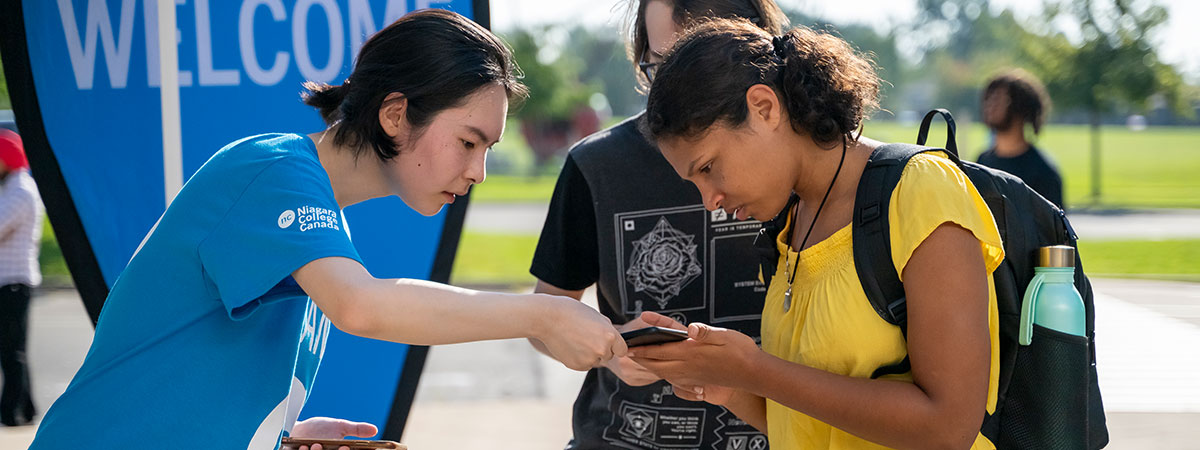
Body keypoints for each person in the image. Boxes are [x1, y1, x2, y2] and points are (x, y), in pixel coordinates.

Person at [29, 10, 625, 449]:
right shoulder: (273, 170)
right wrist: (540, 314)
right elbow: (362, 307)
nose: (480, 171)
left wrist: (275, 435)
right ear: (395, 113)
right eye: (470, 142)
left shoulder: (319, 217)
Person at [629, 19, 1006, 450]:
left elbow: (947, 427)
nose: (708, 200)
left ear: (764, 107)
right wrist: (727, 385)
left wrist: (754, 371)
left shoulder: (921, 191)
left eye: (709, 167)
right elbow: (810, 427)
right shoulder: (790, 225)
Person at [528, 1, 786, 448]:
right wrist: (606, 350)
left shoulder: (808, 161)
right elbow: (544, 320)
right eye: (661, 66)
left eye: (700, 61)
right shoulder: (597, 166)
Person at [0, 129, 42, 427]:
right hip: (10, 281)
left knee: (11, 350)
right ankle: (26, 409)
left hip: (13, 282)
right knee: (14, 348)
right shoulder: (10, 188)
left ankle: (10, 412)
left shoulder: (20, 190)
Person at [977, 69, 1064, 209]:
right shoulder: (982, 163)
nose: (990, 105)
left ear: (1021, 106)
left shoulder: (1043, 172)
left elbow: (1053, 229)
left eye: (999, 99)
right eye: (989, 98)